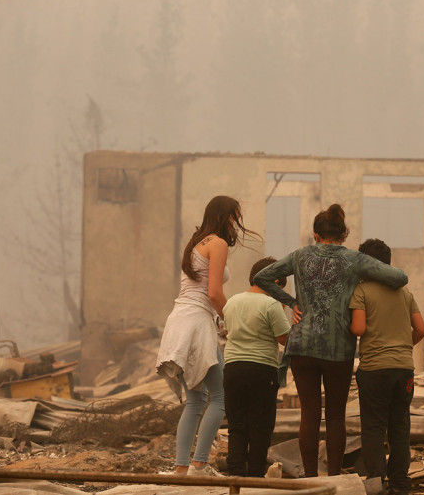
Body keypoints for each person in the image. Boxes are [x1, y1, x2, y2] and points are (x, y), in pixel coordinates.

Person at [253, 204, 408, 478]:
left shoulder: (300, 256)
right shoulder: (354, 259)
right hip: (339, 347)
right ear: (344, 233)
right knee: (336, 415)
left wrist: (292, 302)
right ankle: (334, 478)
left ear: (315, 234)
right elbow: (399, 277)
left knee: (309, 414)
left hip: (303, 345)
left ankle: (311, 479)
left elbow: (262, 277)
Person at [155, 195, 255, 476]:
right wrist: (231, 319)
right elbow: (213, 292)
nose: (238, 223)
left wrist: (218, 319)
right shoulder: (218, 243)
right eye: (235, 216)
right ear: (225, 216)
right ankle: (199, 464)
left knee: (196, 400)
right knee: (221, 397)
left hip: (180, 320)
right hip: (196, 323)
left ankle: (182, 469)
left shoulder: (196, 243)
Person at [349, 238, 424, 495]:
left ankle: (376, 485)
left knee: (372, 428)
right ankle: (401, 486)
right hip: (404, 368)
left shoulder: (361, 291)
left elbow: (359, 328)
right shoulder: (405, 293)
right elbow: (421, 329)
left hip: (374, 369)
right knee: (400, 428)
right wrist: (404, 346)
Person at [222, 257, 291, 477]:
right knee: (260, 426)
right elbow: (284, 338)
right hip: (262, 369)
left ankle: (234, 476)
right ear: (275, 282)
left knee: (237, 425)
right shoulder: (271, 304)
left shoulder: (232, 301)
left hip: (233, 368)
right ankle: (255, 477)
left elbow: (227, 332)